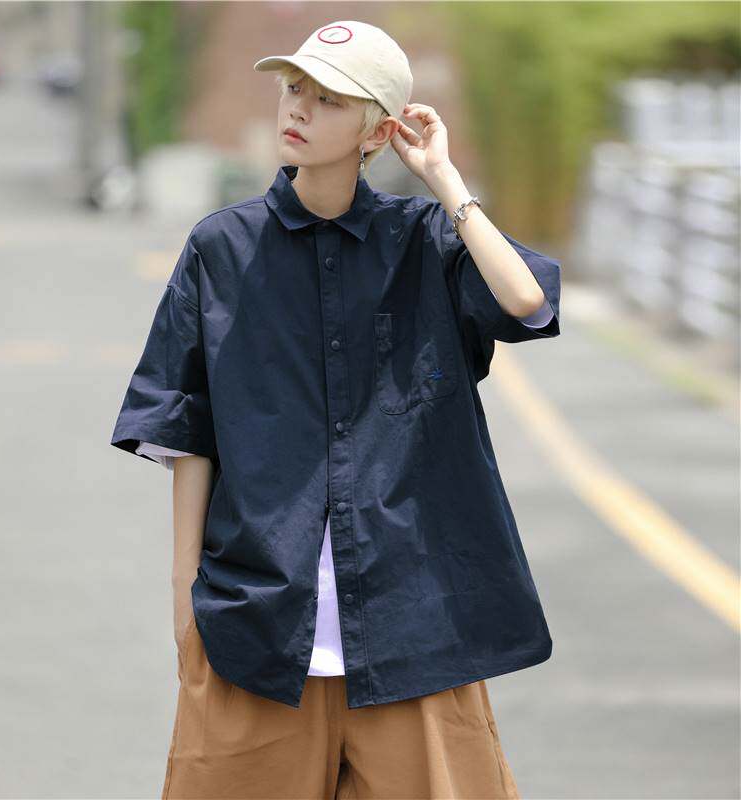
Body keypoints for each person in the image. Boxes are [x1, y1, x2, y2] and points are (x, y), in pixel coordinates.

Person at [110, 19, 561, 800]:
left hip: (414, 629)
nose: (299, 108)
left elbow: (524, 301)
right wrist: (185, 594)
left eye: (329, 99)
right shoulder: (223, 248)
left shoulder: (425, 240)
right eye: (295, 89)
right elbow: (186, 426)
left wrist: (444, 179)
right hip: (256, 630)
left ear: (377, 131)